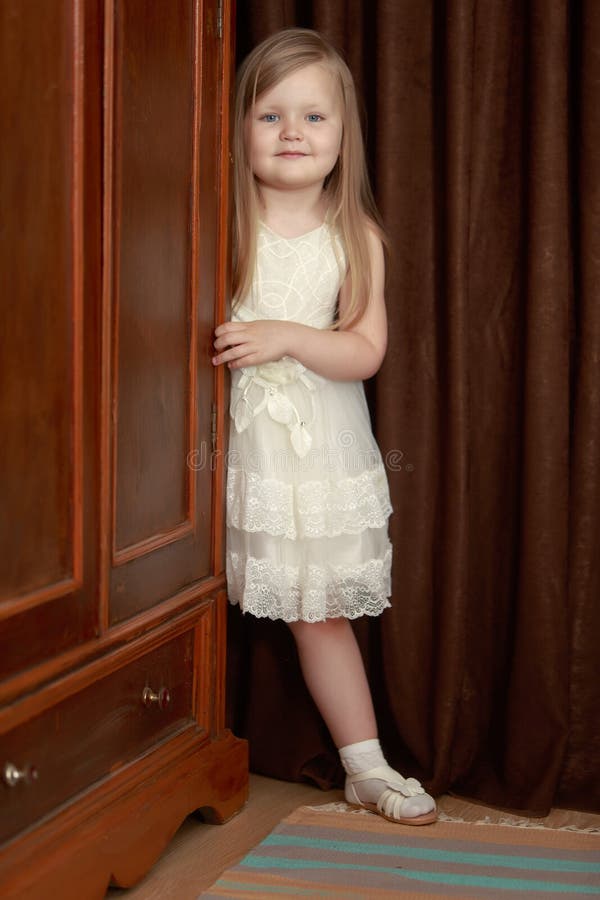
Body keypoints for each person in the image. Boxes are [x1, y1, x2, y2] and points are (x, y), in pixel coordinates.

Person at [212, 27, 436, 826]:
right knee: (189, 595)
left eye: (314, 117)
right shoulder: (218, 221)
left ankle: (365, 765)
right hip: (225, 454)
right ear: (238, 128)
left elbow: (365, 350)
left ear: (344, 136)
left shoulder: (357, 238)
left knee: (319, 613)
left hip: (312, 462)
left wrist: (288, 337)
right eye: (270, 116)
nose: (293, 133)